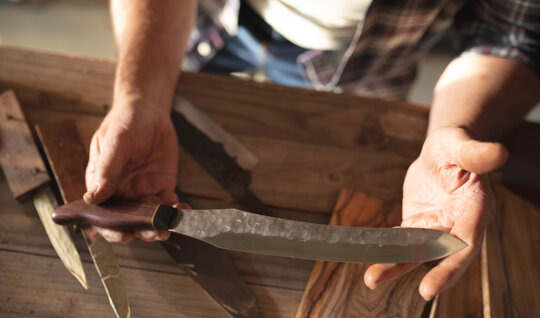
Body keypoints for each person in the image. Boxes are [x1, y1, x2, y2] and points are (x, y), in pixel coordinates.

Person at [83, 0, 540, 301]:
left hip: (364, 74)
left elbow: (512, 34)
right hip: (192, 27)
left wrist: (454, 129)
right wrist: (141, 98)